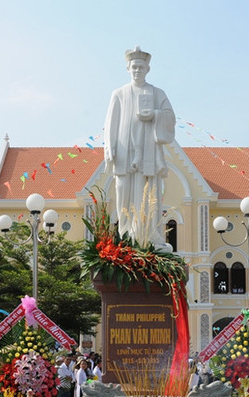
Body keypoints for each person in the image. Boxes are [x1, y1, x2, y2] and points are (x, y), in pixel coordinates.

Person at [104, 45, 176, 247]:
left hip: (148, 151)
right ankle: (126, 234)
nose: (137, 71)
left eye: (141, 67)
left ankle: (147, 235)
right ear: (128, 68)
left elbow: (170, 116)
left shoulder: (156, 93)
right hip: (123, 151)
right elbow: (110, 122)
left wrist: (154, 114)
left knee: (147, 192)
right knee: (122, 191)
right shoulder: (119, 93)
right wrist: (110, 148)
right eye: (134, 67)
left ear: (148, 69)